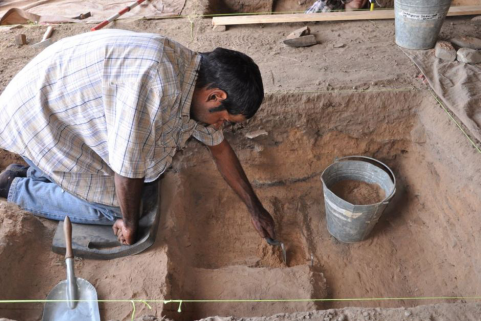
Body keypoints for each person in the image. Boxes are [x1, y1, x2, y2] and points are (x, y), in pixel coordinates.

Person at [0, 29, 276, 245]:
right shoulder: (156, 85)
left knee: (144, 184)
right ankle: (13, 187)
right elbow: (128, 168)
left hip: (64, 109)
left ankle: (36, 173)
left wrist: (255, 207)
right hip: (37, 115)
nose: (220, 126)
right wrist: (129, 223)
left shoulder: (191, 73)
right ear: (216, 96)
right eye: (224, 119)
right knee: (116, 207)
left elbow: (220, 150)